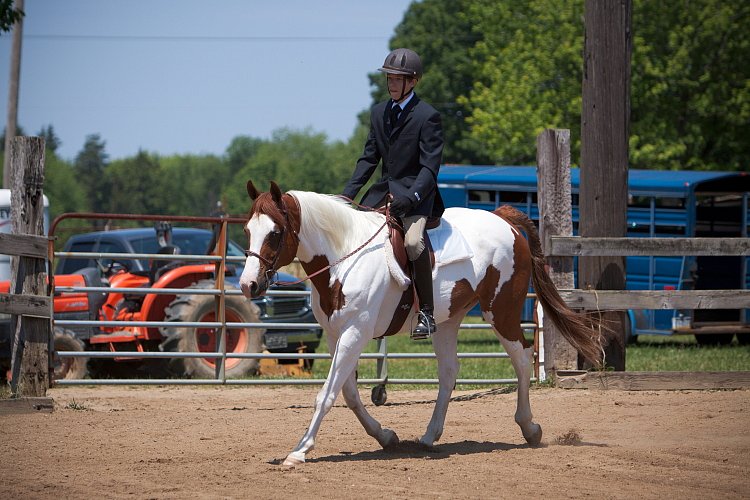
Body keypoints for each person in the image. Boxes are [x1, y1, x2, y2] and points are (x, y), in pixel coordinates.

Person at [341, 47, 444, 340]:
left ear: (413, 81)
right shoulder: (379, 113)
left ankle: (426, 311)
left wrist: (411, 198)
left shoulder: (428, 117)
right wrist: (346, 197)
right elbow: (369, 159)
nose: (392, 84)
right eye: (389, 78)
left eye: (398, 79)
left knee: (413, 243)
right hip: (382, 193)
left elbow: (429, 168)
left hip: (416, 197)